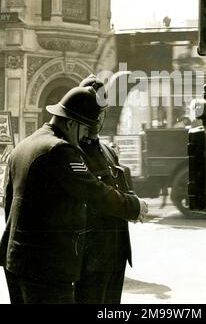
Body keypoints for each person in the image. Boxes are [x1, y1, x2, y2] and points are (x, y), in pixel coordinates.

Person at [0, 86, 148, 304]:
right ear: (70, 123)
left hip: (15, 260)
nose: (85, 135)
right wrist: (135, 207)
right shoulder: (60, 149)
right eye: (84, 128)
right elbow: (94, 192)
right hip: (46, 266)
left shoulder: (24, 146)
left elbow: (9, 201)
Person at [74, 75, 138, 304]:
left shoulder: (109, 152)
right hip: (90, 258)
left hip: (117, 254)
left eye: (100, 111)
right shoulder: (72, 152)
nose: (96, 118)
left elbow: (121, 191)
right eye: (92, 111)